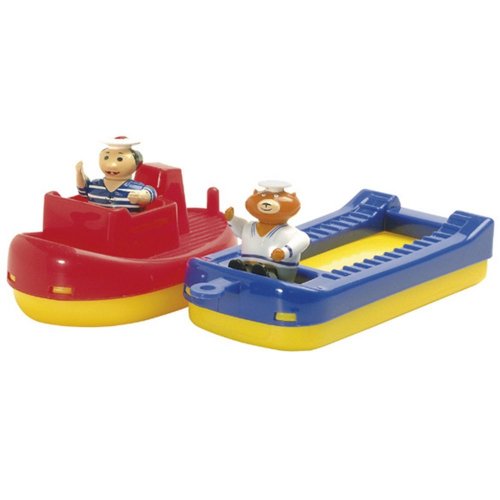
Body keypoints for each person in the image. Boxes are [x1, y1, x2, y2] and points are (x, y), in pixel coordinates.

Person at [225, 180, 310, 282]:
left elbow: (303, 240)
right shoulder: (250, 226)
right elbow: (242, 230)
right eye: (263, 196)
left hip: (279, 274)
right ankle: (241, 271)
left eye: (276, 197)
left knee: (266, 274)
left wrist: (284, 252)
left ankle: (266, 274)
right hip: (249, 264)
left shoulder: (290, 233)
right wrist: (232, 219)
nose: (266, 204)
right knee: (249, 270)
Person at [76, 137, 156, 211]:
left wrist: (142, 196)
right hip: (97, 219)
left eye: (120, 159)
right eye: (106, 157)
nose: (111, 165)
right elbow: (83, 191)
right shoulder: (95, 185)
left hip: (126, 221)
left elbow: (151, 191)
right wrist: (79, 174)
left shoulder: (136, 188)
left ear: (137, 164)